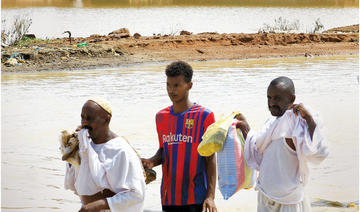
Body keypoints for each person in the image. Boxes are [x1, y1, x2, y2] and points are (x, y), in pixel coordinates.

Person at [236, 76, 329, 212]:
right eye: (269, 97)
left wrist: (309, 119)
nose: (272, 103)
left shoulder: (297, 125)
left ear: (291, 99)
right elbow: (260, 151)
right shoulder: (271, 123)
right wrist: (246, 128)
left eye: (277, 98)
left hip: (289, 202)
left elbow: (318, 151)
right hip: (265, 196)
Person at [141, 61, 217, 212]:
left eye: (176, 85)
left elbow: (210, 158)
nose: (171, 90)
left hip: (196, 198)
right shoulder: (161, 117)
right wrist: (151, 161)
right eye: (168, 85)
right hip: (168, 198)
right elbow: (164, 150)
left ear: (189, 85)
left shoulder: (205, 116)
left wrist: (210, 196)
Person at [64, 98, 146, 212]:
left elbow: (136, 195)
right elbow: (77, 186)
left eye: (89, 118)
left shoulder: (121, 151)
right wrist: (72, 153)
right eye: (82, 117)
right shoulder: (86, 147)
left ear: (106, 119)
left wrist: (99, 205)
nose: (84, 123)